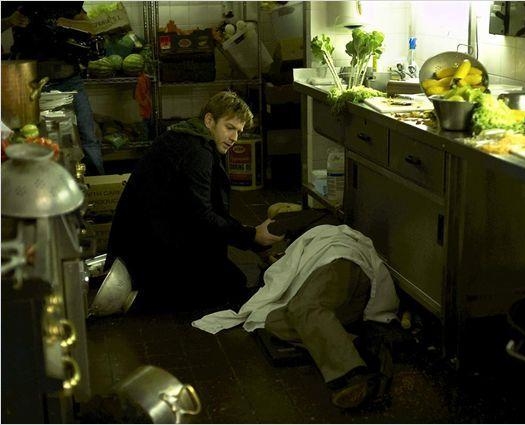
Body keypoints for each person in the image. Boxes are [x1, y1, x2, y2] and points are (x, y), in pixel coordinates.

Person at [106, 91, 284, 311]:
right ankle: (146, 297)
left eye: (239, 131)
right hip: (148, 252)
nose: (234, 138)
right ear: (209, 120)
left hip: (139, 244)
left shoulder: (185, 135)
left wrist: (253, 241)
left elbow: (207, 208)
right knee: (232, 286)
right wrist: (251, 236)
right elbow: (202, 216)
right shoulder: (197, 152)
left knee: (230, 278)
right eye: (229, 127)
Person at [192, 224, 400, 409]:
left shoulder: (321, 239)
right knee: (272, 320)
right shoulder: (296, 255)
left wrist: (271, 253)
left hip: (338, 258)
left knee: (305, 306)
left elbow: (289, 267)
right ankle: (353, 345)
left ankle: (354, 375)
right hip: (336, 296)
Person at [1, 2, 105, 175]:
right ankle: (44, 182)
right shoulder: (18, 4)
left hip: (70, 80)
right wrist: (10, 21)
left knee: (88, 138)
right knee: (33, 139)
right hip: (31, 84)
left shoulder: (68, 4)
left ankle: (99, 184)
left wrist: (66, 22)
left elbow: (92, 28)